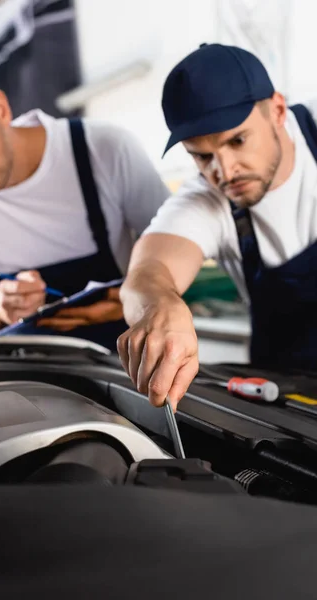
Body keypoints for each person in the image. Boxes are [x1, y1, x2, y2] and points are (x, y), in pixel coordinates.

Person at [117, 42, 317, 409]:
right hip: (293, 401)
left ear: (276, 110)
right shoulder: (205, 200)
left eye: (237, 141)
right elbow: (147, 274)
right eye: (202, 156)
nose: (224, 172)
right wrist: (159, 306)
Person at [0, 61, 169, 351]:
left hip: (125, 362)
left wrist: (136, 302)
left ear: (0, 109)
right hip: (25, 378)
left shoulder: (103, 149)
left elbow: (180, 255)